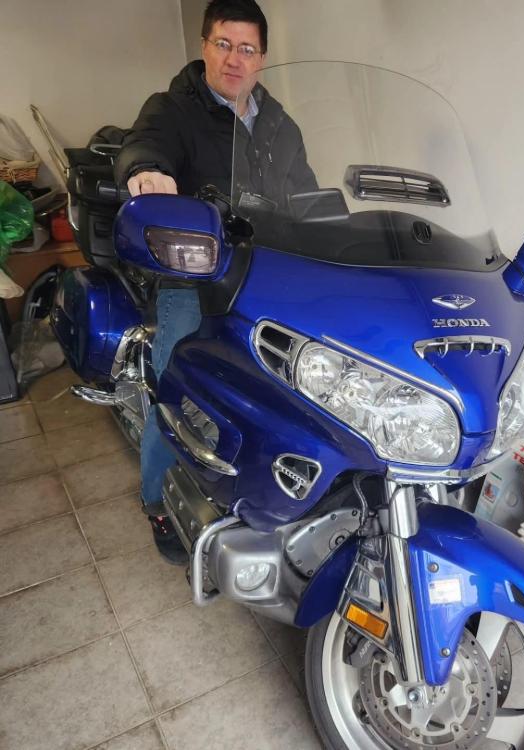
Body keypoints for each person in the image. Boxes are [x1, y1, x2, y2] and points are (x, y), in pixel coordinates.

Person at [114, 0, 316, 564]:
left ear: (262, 57)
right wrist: (145, 171)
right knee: (177, 386)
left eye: (246, 48)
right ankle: (156, 499)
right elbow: (146, 143)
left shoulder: (279, 124)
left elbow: (305, 192)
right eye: (223, 44)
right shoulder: (174, 108)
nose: (234, 59)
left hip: (265, 278)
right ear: (205, 46)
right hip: (193, 278)